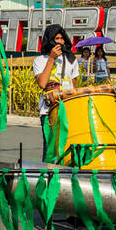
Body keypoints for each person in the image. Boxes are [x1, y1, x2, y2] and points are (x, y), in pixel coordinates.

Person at [33, 24, 79, 161]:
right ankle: (47, 179)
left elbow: (74, 87)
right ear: (49, 40)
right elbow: (42, 83)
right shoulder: (39, 61)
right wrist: (51, 59)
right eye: (56, 38)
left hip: (68, 109)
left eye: (61, 38)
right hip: (48, 110)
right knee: (50, 148)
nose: (59, 41)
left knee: (68, 146)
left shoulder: (72, 60)